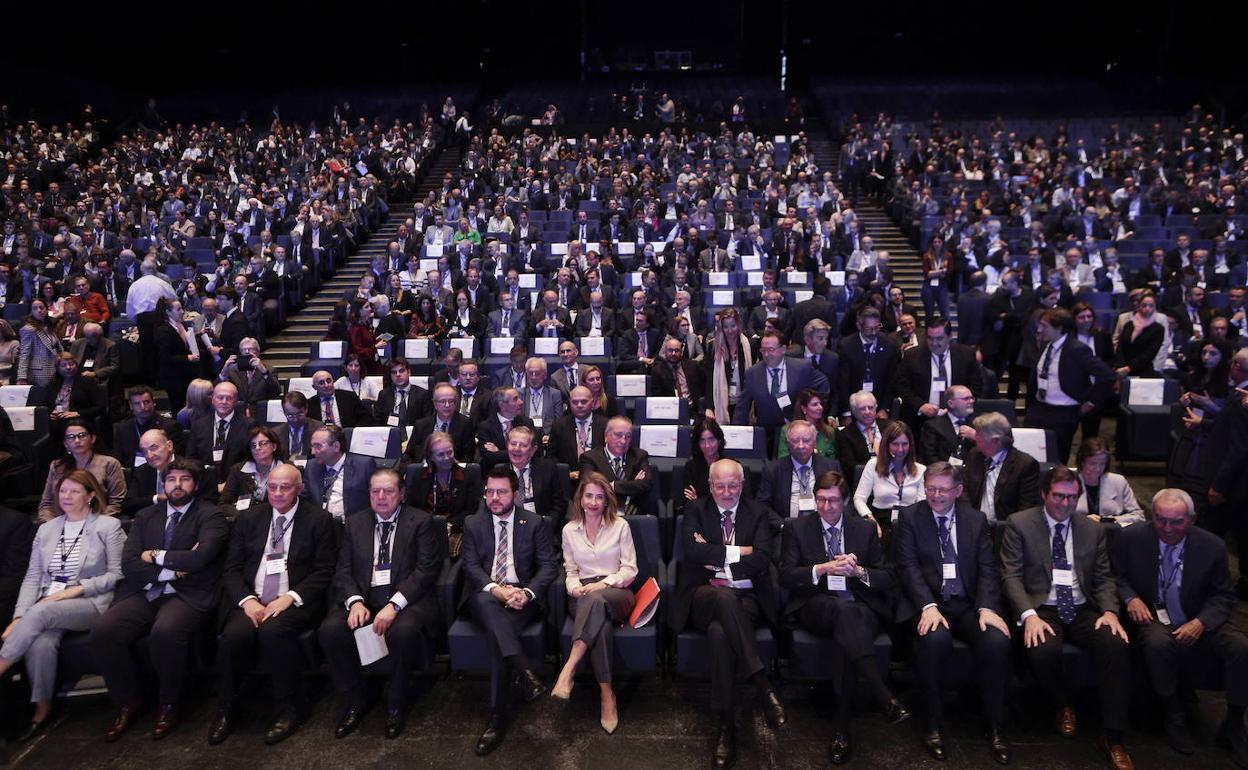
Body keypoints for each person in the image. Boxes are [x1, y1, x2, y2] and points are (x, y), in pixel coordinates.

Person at [1000, 466, 1132, 769]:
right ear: (1045, 494)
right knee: (1041, 649)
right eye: (1058, 496)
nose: (1065, 504)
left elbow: (1103, 578)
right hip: (1042, 606)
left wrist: (1111, 612)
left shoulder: (1092, 529)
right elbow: (1011, 577)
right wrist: (1029, 615)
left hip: (1083, 606)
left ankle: (1114, 737)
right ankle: (1063, 702)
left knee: (1116, 645)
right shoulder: (1020, 524)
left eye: (1072, 498)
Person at [93, 458, 230, 741]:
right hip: (146, 590)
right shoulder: (145, 516)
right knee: (105, 631)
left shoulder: (210, 515)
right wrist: (174, 571)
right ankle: (128, 701)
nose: (177, 485)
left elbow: (201, 558)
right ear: (163, 484)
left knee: (165, 632)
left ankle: (169, 703)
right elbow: (130, 563)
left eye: (184, 479)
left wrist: (154, 555)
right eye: (171, 479)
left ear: (195, 484)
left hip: (190, 592)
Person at [780, 469, 910, 764]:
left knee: (847, 629)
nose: (826, 507)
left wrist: (859, 572)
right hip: (817, 604)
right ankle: (882, 694)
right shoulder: (797, 528)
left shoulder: (863, 529)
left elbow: (888, 576)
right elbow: (786, 576)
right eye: (821, 500)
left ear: (846, 501)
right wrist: (822, 568)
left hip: (860, 604)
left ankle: (842, 727)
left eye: (833, 501)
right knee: (842, 612)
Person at [1111, 488, 1248, 765]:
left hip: (1197, 615)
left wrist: (1202, 622)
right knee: (1158, 644)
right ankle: (1173, 713)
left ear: (1192, 520)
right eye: (1161, 520)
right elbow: (1115, 575)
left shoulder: (1212, 547)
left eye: (1177, 522)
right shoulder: (1131, 538)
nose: (1168, 528)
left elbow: (1223, 595)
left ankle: (1233, 723)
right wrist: (1130, 598)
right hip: (1152, 616)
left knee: (1242, 648)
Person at [209, 464, 338, 745]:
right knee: (233, 637)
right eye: (272, 487)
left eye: (286, 487)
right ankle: (228, 708)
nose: (278, 493)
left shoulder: (319, 519)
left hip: (293, 600)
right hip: (251, 599)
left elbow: (324, 570)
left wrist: (290, 597)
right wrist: (247, 601)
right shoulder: (249, 518)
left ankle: (290, 706)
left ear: (300, 488)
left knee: (273, 633)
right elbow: (231, 568)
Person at [894, 462, 1012, 764]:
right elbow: (907, 568)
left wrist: (986, 607)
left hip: (969, 604)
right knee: (934, 641)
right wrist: (928, 606)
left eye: (943, 490)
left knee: (997, 641)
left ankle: (994, 724)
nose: (935, 495)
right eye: (930, 488)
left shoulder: (975, 520)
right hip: (931, 603)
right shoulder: (910, 517)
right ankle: (933, 723)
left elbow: (988, 569)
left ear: (958, 491)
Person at [674, 459, 785, 769]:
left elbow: (763, 559)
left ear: (742, 483)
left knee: (721, 634)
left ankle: (725, 728)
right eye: (719, 485)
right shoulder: (696, 509)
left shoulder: (758, 512)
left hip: (746, 596)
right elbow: (692, 552)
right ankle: (763, 684)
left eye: (732, 485)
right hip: (702, 595)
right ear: (710, 485)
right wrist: (741, 551)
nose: (726, 491)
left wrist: (717, 555)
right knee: (721, 598)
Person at [318, 467, 444, 740]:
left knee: (403, 632)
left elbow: (425, 571)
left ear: (401, 493)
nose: (381, 497)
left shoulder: (421, 521)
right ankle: (356, 697)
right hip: (364, 596)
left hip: (407, 600)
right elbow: (343, 570)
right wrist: (354, 602)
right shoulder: (354, 523)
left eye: (388, 491)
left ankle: (397, 701)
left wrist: (394, 605)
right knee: (331, 630)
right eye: (375, 491)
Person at [0, 470, 124, 741]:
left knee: (42, 611)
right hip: (47, 606)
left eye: (75, 491)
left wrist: (75, 590)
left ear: (91, 495)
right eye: (63, 490)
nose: (66, 496)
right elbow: (33, 577)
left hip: (90, 603)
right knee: (41, 643)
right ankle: (42, 709)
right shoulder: (46, 529)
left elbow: (116, 574)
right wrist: (19, 616)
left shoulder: (108, 527)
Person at [460, 466, 559, 756]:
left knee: (497, 636)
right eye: (489, 491)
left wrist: (526, 594)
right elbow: (471, 566)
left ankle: (498, 715)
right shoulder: (473, 522)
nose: (494, 497)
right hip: (486, 594)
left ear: (516, 494)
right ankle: (525, 672)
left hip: (521, 598)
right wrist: (496, 589)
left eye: (501, 492)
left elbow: (549, 566)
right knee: (488, 603)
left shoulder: (536, 522)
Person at [552, 471, 638, 734]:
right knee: (599, 620)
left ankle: (569, 668)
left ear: (606, 502)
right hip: (583, 595)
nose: (592, 502)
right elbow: (571, 571)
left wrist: (601, 585)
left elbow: (630, 570)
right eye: (588, 496)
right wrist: (574, 588)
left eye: (599, 497)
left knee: (597, 599)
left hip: (617, 591)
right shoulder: (569, 530)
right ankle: (607, 695)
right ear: (580, 498)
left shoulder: (620, 526)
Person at [1024, 307, 1115, 464]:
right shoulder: (1047, 344)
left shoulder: (1077, 349)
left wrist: (1091, 402)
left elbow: (1108, 376)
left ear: (1059, 328)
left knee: (1057, 458)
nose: (1039, 329)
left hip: (1064, 413)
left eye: (1044, 326)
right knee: (1031, 453)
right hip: (1039, 408)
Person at [734, 331, 830, 450]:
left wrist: (812, 409)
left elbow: (823, 383)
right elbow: (742, 407)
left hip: (795, 433)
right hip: (766, 435)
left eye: (771, 349)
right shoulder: (752, 373)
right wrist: (737, 435)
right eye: (763, 350)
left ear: (783, 349)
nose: (767, 354)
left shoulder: (801, 367)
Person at [894, 318, 983, 435]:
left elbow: (976, 386)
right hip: (919, 419)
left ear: (950, 336)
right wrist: (921, 406)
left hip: (957, 419)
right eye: (930, 338)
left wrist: (959, 405)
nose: (934, 343)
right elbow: (901, 385)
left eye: (939, 338)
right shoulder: (912, 355)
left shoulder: (966, 354)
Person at [407, 431, 483, 559]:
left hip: (456, 529)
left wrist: (450, 525)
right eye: (441, 455)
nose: (447, 458)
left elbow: (473, 510)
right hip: (425, 527)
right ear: (431, 457)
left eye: (450, 452)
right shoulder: (419, 477)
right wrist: (427, 525)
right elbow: (411, 507)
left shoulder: (468, 476)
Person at [960, 412, 1042, 527]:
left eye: (979, 434)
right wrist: (971, 518)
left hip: (1006, 528)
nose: (975, 437)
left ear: (994, 440)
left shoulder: (1024, 464)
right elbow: (964, 490)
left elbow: (1026, 508)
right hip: (974, 525)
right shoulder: (974, 455)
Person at [37, 419, 126, 523]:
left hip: (96, 522)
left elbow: (117, 503)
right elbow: (46, 504)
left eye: (82, 435)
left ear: (92, 439)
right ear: (65, 444)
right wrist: (51, 524)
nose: (77, 441)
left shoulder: (109, 463)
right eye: (71, 437)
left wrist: (92, 522)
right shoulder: (57, 466)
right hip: (61, 522)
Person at [759, 420, 841, 530]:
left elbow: (845, 501)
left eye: (806, 440)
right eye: (795, 441)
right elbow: (762, 505)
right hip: (786, 530)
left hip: (824, 528)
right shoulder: (773, 470)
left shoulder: (831, 467)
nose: (801, 446)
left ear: (814, 442)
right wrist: (783, 526)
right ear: (788, 443)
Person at [852, 421, 925, 538]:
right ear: (887, 444)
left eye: (904, 444)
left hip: (909, 522)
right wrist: (870, 519)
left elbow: (922, 505)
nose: (900, 449)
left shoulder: (921, 470)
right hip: (880, 519)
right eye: (895, 444)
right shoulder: (873, 465)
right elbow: (859, 498)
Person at [578, 416, 654, 517]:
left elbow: (645, 484)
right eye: (618, 435)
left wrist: (613, 485)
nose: (623, 441)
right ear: (606, 436)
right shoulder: (589, 458)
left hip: (634, 512)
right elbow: (592, 487)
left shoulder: (639, 456)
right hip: (602, 513)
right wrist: (633, 485)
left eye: (628, 436)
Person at [835, 307, 899, 418]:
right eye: (869, 329)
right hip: (854, 407)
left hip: (879, 407)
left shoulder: (889, 345)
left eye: (877, 327)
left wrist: (885, 408)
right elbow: (843, 382)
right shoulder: (846, 346)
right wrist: (847, 412)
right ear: (859, 326)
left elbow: (891, 380)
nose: (874, 332)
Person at [304, 425, 377, 521]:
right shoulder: (312, 466)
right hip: (321, 527)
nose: (313, 452)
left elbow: (374, 499)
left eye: (318, 446)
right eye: (312, 446)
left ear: (336, 446)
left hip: (351, 526)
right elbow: (305, 498)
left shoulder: (363, 466)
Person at [186, 381, 256, 479]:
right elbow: (191, 459)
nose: (224, 401)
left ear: (236, 401)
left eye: (229, 398)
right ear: (213, 399)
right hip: (205, 483)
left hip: (236, 482)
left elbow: (251, 459)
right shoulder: (198, 426)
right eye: (220, 397)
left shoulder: (249, 425)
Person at [1073, 438, 1144, 533]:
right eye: (1092, 463)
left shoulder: (1118, 481)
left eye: (1102, 464)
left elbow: (1139, 516)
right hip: (1078, 532)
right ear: (1082, 462)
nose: (1097, 469)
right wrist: (1084, 520)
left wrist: (1109, 520)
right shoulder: (1069, 481)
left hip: (1111, 533)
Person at [220, 425, 293, 510]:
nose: (257, 448)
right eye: (253, 445)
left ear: (274, 446)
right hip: (243, 519)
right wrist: (242, 517)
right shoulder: (238, 470)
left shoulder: (288, 469)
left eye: (262, 443)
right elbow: (223, 504)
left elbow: (291, 502)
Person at [702, 307, 754, 424]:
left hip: (742, 403)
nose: (730, 331)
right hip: (720, 402)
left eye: (733, 326)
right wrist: (709, 407)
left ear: (739, 325)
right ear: (721, 328)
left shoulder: (750, 345)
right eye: (726, 327)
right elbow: (710, 379)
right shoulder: (713, 347)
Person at [113, 387, 184, 469]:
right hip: (132, 473)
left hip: (162, 470)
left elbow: (175, 457)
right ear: (131, 405)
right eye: (137, 404)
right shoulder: (122, 428)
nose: (143, 407)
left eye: (146, 402)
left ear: (153, 402)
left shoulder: (170, 426)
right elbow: (118, 458)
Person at [406, 383, 474, 463]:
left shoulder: (465, 424)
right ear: (435, 404)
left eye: (451, 401)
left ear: (456, 403)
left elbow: (468, 457)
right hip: (424, 470)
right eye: (442, 401)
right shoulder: (421, 425)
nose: (447, 405)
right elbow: (409, 455)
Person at [547, 386, 608, 468]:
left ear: (592, 402)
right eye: (575, 402)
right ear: (569, 403)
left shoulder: (605, 424)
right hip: (568, 477)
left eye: (584, 401)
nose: (579, 405)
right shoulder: (559, 425)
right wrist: (565, 472)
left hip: (598, 476)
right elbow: (551, 457)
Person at [917, 385, 977, 465]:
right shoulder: (933, 426)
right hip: (943, 473)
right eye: (966, 399)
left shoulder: (978, 424)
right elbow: (929, 457)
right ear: (951, 403)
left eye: (972, 398)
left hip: (973, 474)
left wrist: (977, 437)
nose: (971, 401)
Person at [220, 337, 281, 417]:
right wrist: (223, 372)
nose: (247, 352)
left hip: (260, 412)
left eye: (251, 349)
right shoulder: (232, 370)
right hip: (237, 412)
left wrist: (264, 371)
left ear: (258, 352)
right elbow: (218, 390)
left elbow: (276, 392)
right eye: (244, 350)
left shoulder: (269, 370)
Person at [42, 352, 107, 424]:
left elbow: (100, 408)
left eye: (71, 364)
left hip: (78, 421)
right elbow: (44, 405)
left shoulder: (88, 382)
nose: (68, 367)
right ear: (58, 369)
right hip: (56, 420)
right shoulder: (53, 384)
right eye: (63, 365)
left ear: (76, 365)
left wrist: (77, 413)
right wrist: (50, 414)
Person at [1112, 290, 1165, 378]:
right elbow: (1120, 347)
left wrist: (1129, 368)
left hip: (1144, 371)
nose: (1147, 308)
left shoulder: (1158, 329)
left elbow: (1149, 354)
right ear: (1139, 306)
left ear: (1155, 307)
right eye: (1144, 305)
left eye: (1151, 306)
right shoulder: (1128, 325)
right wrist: (1121, 366)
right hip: (1122, 370)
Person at [777, 388, 837, 461]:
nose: (820, 407)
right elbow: (783, 458)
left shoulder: (829, 431)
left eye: (820, 404)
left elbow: (832, 462)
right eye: (815, 405)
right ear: (803, 408)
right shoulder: (787, 430)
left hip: (822, 471)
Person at [835, 390, 889, 469]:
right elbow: (850, 467)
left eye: (870, 408)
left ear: (875, 408)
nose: (867, 412)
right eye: (862, 409)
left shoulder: (889, 426)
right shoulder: (845, 435)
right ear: (854, 411)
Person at [373, 358, 432, 428]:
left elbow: (427, 421)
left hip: (414, 434)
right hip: (390, 434)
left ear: (409, 372)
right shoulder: (384, 395)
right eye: (394, 372)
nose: (398, 375)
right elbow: (378, 421)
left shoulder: (422, 394)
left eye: (401, 371)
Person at [16, 299, 63, 386]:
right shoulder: (28, 329)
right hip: (37, 373)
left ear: (46, 309)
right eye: (35, 308)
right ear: (31, 312)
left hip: (53, 369)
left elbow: (57, 347)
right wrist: (22, 377)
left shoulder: (48, 327)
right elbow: (24, 353)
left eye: (41, 307)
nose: (39, 310)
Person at [274, 391, 324, 462]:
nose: (295, 419)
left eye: (299, 414)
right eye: (290, 415)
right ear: (284, 412)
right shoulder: (276, 433)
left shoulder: (318, 428)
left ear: (306, 409)